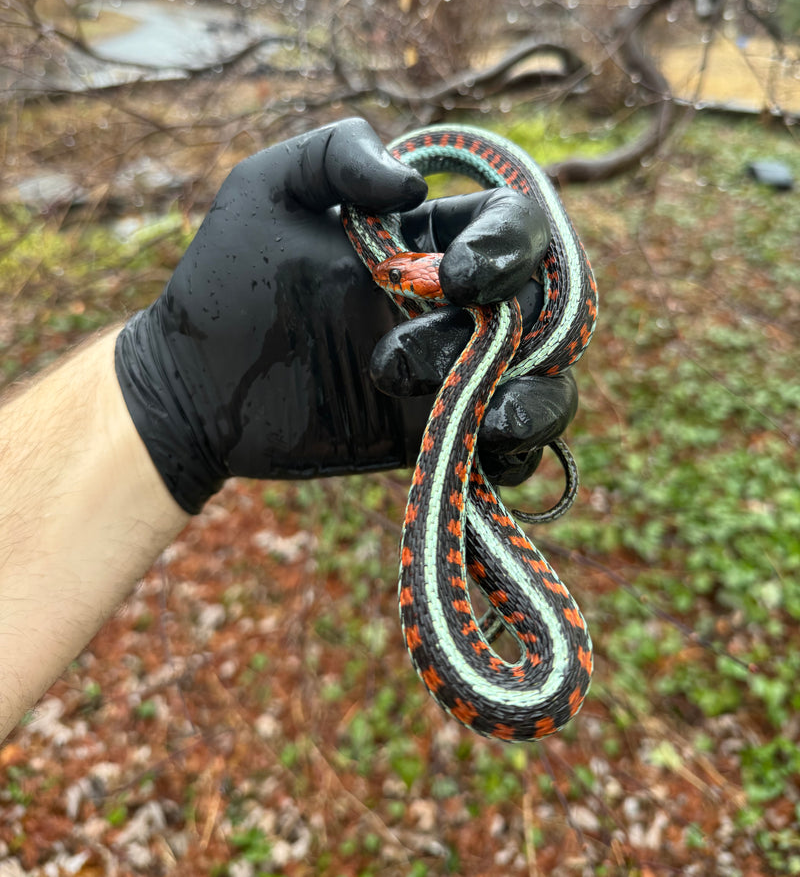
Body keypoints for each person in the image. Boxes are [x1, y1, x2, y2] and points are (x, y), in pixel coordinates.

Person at [0, 118, 578, 742]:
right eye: (397, 278)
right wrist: (174, 380)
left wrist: (161, 397)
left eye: (402, 281)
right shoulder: (383, 254)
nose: (396, 283)